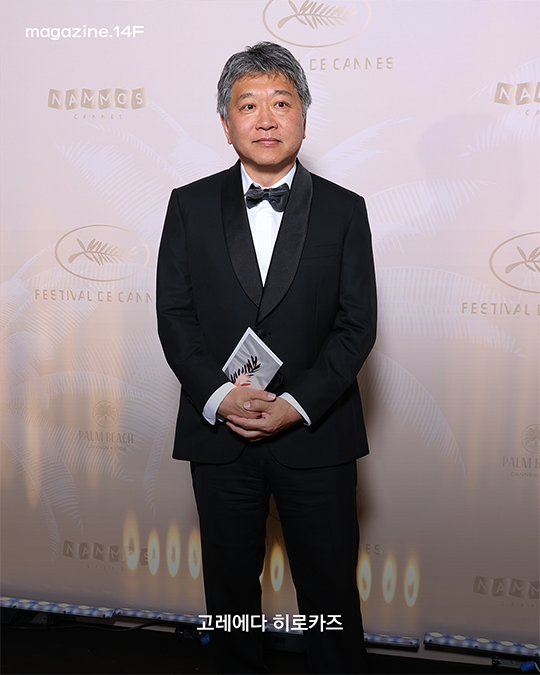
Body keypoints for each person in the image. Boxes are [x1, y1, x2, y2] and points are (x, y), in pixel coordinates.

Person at [157, 41, 377, 674]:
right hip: (220, 436)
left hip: (315, 432)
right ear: (226, 125)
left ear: (303, 117)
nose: (265, 119)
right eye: (247, 105)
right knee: (229, 597)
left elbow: (356, 325)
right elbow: (174, 315)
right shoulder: (188, 204)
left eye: (281, 103)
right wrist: (220, 396)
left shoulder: (345, 209)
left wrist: (295, 405)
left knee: (330, 595)